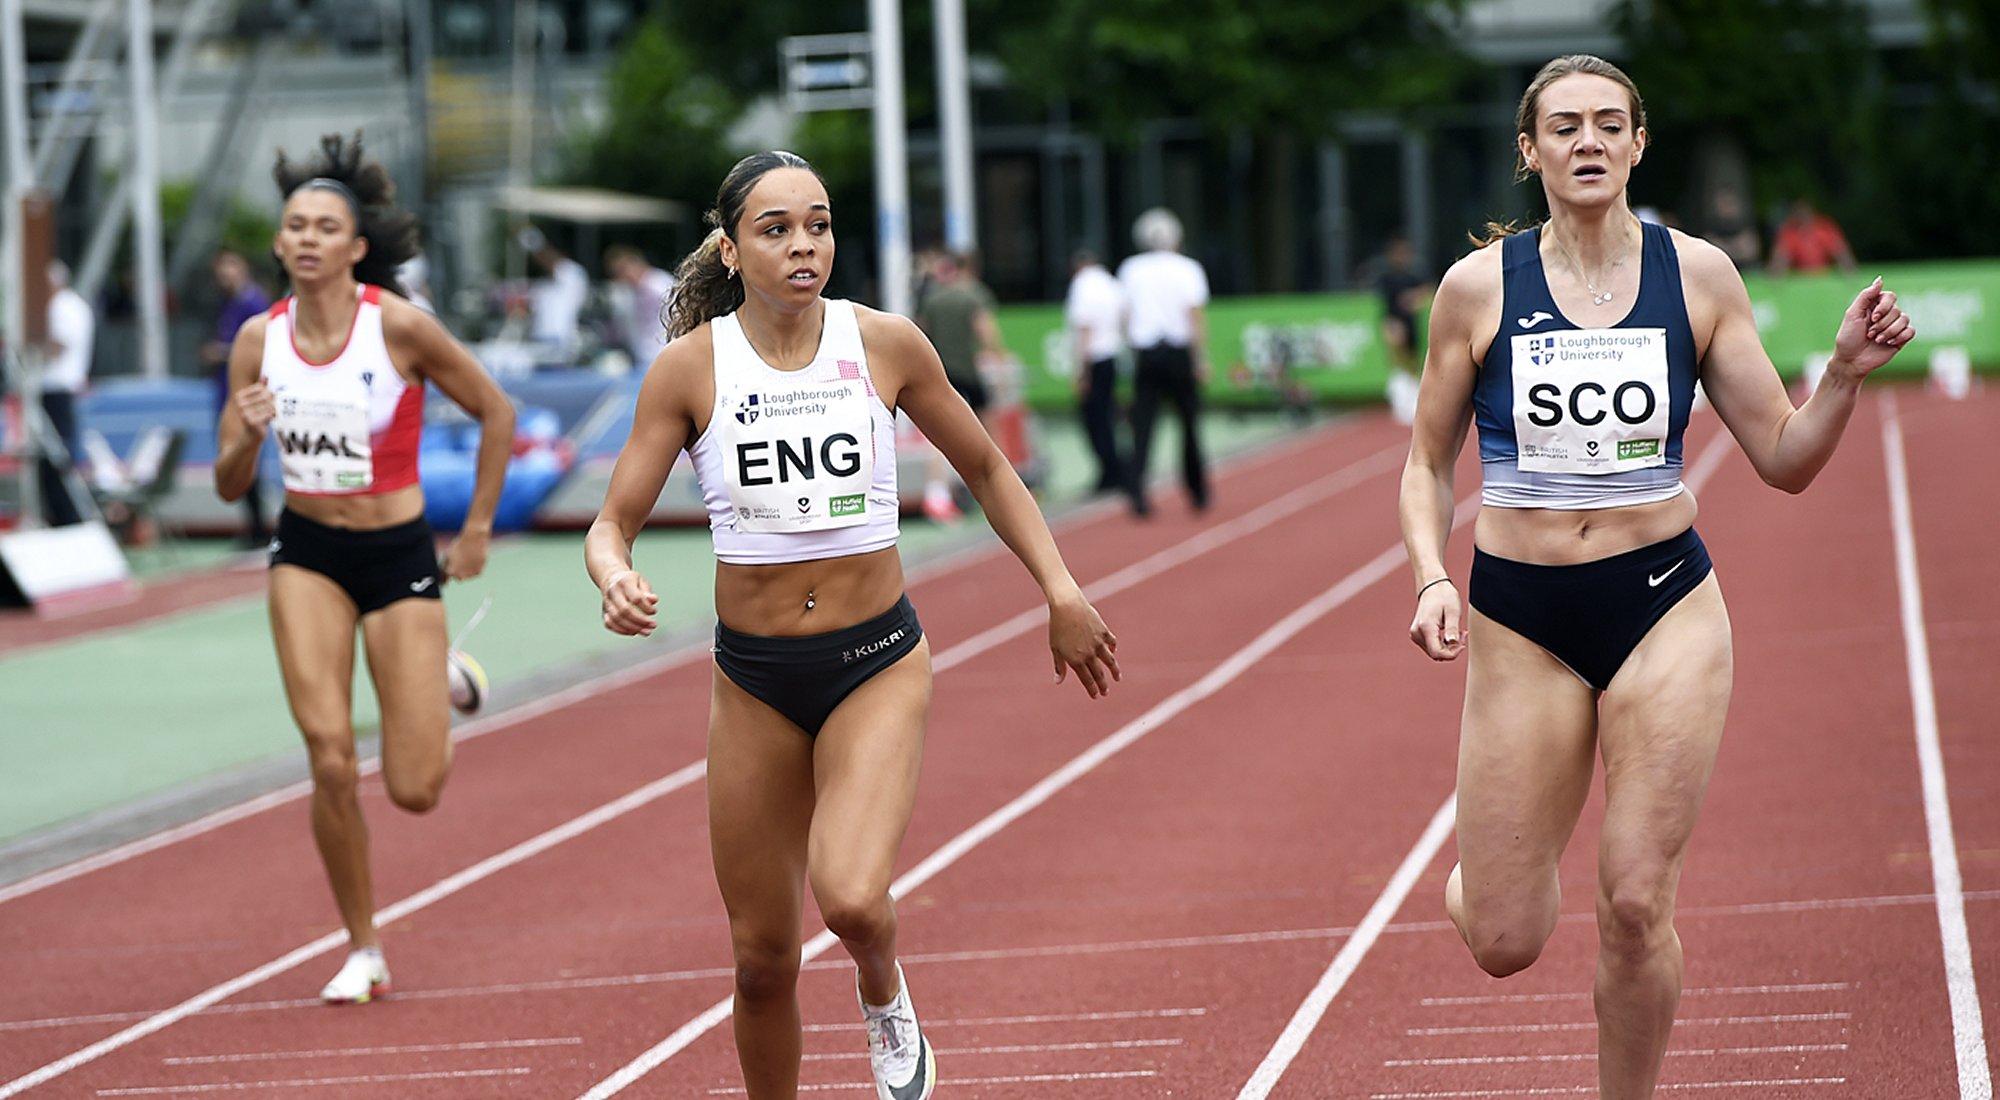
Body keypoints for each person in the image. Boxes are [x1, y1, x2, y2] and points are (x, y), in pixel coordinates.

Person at [1398, 55, 1913, 1100]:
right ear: (1528, 151)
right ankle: (1483, 875)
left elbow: (1780, 456)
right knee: (1502, 935)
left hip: (1662, 606)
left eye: (1605, 124)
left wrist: (1842, 377)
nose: (1584, 142)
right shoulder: (1475, 291)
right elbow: (1422, 464)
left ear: (1636, 143)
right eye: (1562, 127)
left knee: (1634, 900)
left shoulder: (1697, 276)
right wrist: (1426, 576)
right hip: (1520, 615)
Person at [584, 150, 1120, 1100]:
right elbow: (612, 519)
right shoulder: (689, 369)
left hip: (873, 661)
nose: (803, 246)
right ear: (731, 247)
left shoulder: (884, 343)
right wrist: (614, 573)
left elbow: (991, 470)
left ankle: (882, 986)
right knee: (759, 958)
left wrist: (1061, 590)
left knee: (854, 901)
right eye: (777, 228)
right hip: (752, 680)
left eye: (819, 225)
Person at [212, 133, 516, 1005]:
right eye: (294, 226)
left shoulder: (399, 327)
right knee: (332, 758)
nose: (306, 239)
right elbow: (234, 480)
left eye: (324, 227)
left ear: (353, 247)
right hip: (307, 553)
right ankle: (363, 945)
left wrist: (478, 531)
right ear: (279, 244)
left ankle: (443, 676)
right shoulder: (255, 344)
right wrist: (249, 430)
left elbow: (496, 411)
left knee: (416, 787)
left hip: (397, 555)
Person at [1117, 207, 1210, 516]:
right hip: (1178, 353)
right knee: (1189, 423)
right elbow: (1194, 316)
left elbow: (1125, 316)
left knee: (1143, 427)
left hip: (1147, 354)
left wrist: (1131, 350)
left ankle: (1137, 492)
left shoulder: (1131, 269)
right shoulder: (1188, 268)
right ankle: (1197, 490)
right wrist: (1200, 359)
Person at [914, 249, 1006, 520]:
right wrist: (997, 355)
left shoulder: (933, 298)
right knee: (988, 426)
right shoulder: (974, 294)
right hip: (969, 370)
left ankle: (936, 492)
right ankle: (998, 485)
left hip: (941, 372)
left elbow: (920, 331)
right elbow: (985, 329)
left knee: (938, 434)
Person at [203, 248, 275, 545]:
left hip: (249, 397)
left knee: (248, 455)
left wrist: (221, 352)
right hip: (227, 393)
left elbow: (261, 347)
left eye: (231, 266)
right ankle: (254, 526)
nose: (225, 274)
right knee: (232, 456)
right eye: (221, 268)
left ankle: (259, 528)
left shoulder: (253, 303)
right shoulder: (226, 303)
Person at [34, 260, 93, 527]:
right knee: (58, 456)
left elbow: (59, 344)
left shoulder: (62, 306)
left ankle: (65, 517)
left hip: (55, 389)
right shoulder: (74, 305)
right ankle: (64, 516)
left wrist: (30, 354)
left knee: (54, 458)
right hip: (61, 388)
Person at [1064, 248, 1127, 495]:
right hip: (1111, 354)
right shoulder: (1111, 283)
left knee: (1094, 419)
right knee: (1108, 415)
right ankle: (1115, 468)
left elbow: (1084, 328)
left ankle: (1109, 470)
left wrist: (1082, 371)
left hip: (1095, 357)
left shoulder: (1083, 286)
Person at [1368, 235, 1432, 425]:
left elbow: (1427, 289)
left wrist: (1415, 298)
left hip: (1411, 325)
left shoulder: (1413, 274)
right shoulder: (1386, 276)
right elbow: (1383, 303)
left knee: (1414, 364)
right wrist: (1390, 325)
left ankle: (1413, 402)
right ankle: (1401, 402)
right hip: (1394, 323)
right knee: (1399, 363)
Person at [520, 225, 589, 355]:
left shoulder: (572, 273)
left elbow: (549, 259)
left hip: (559, 338)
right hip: (539, 337)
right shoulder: (543, 284)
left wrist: (534, 241)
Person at [604, 244, 677, 366]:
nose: (621, 278)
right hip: (644, 357)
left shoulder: (659, 285)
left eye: (622, 271)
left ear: (635, 265)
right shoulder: (632, 292)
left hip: (663, 353)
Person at [1767, 197, 1856, 276]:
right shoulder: (1790, 232)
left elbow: (1840, 251)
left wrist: (1849, 270)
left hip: (1823, 274)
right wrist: (1777, 272)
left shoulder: (1824, 228)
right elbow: (1780, 257)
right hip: (1800, 276)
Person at [1701, 187, 1761, 271]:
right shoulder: (1710, 227)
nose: (1727, 208)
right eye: (1724, 203)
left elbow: (1751, 251)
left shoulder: (1745, 225)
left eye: (1730, 203)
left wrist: (1725, 248)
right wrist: (1736, 248)